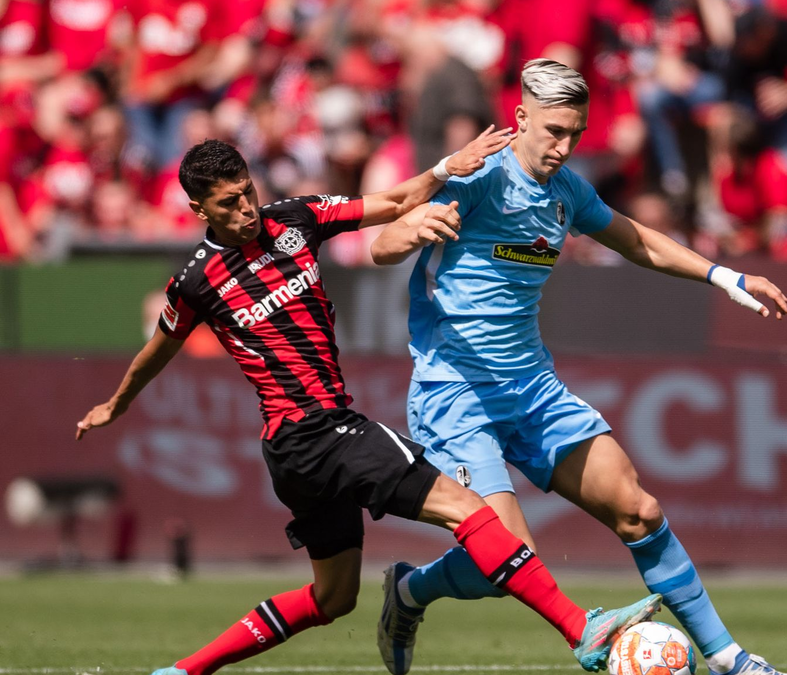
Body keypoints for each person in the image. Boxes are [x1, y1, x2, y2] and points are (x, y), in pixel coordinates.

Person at [73, 130, 663, 675]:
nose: (247, 209)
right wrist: (117, 402)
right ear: (199, 210)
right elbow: (160, 346)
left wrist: (445, 168)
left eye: (248, 192)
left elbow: (391, 202)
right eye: (228, 204)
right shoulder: (196, 282)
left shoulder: (295, 219)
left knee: (333, 598)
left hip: (298, 448)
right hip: (314, 432)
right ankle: (579, 628)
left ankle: (182, 671)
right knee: (467, 508)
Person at [370, 59, 787, 675]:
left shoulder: (567, 191)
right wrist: (410, 231)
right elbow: (382, 244)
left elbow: (638, 240)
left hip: (532, 387)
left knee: (639, 510)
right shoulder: (481, 176)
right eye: (553, 131)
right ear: (520, 119)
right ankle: (409, 592)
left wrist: (725, 276)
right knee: (507, 557)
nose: (563, 147)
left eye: (575, 132)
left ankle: (731, 660)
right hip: (454, 391)